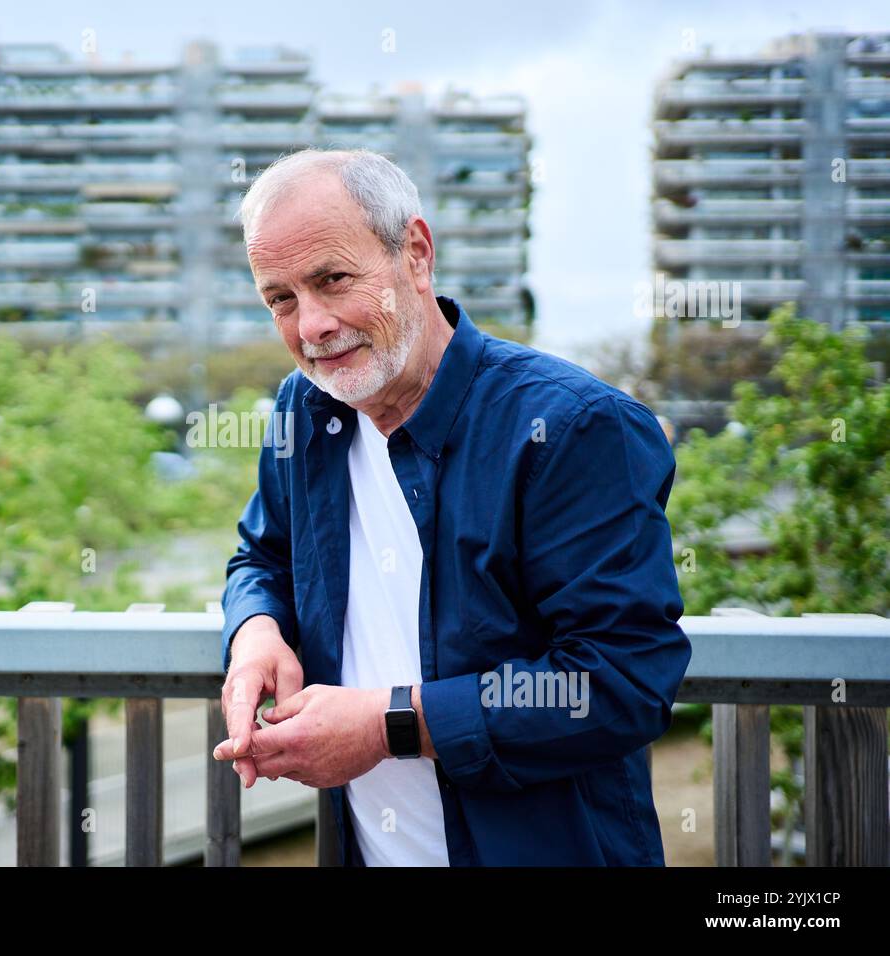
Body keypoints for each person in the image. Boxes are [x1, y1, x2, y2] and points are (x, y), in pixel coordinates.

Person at [212, 146, 691, 866]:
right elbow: (264, 554)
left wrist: (385, 724)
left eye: (332, 280)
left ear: (415, 253)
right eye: (280, 299)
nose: (310, 325)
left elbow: (621, 682)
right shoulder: (303, 410)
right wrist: (254, 631)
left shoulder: (574, 428)